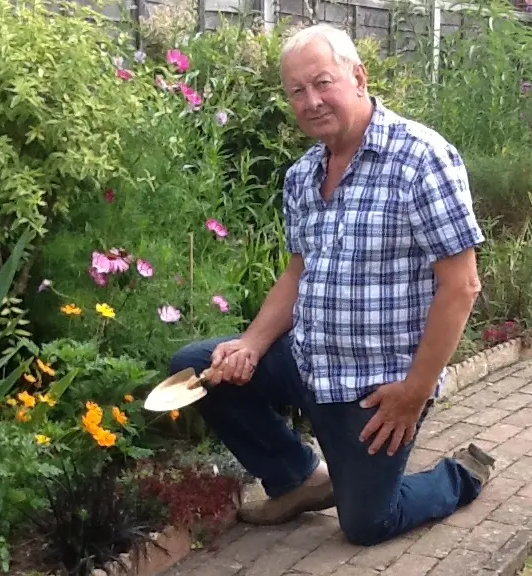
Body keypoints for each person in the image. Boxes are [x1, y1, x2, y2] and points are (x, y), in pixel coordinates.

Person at [170, 23, 495, 547]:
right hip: (306, 360)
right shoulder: (302, 175)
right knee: (198, 367)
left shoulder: (421, 158)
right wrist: (251, 345)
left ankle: (460, 476)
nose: (311, 101)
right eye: (297, 90)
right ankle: (299, 479)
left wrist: (414, 392)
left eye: (322, 83)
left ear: (358, 77)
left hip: (373, 388)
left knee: (368, 523)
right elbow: (298, 272)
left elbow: (461, 286)